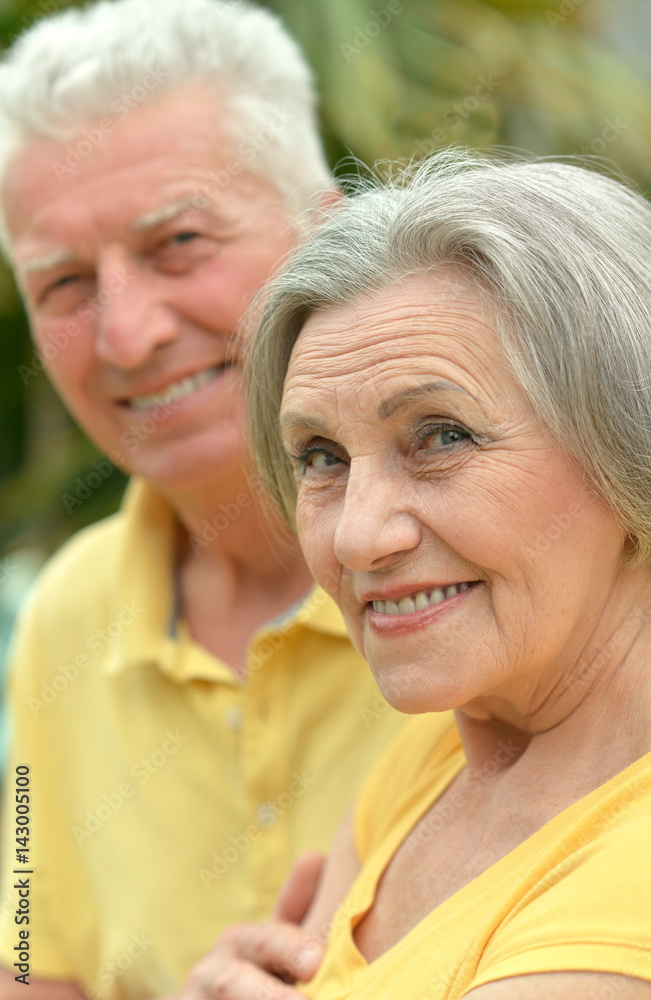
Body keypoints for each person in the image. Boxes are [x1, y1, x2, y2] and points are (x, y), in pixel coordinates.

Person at [0, 2, 405, 998]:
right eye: (63, 285)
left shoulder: (502, 563)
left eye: (179, 241)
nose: (128, 335)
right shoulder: (64, 615)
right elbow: (24, 959)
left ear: (327, 235)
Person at [210, 150, 651, 999]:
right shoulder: (440, 755)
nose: (356, 535)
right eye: (320, 456)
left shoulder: (644, 874)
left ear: (635, 442)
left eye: (442, 436)